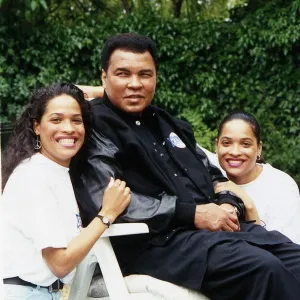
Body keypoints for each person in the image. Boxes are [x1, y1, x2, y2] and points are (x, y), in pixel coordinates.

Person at [71, 33, 300, 300]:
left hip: (215, 234)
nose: (135, 84)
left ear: (155, 77)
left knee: (295, 260)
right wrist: (191, 213)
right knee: (264, 269)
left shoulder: (166, 122)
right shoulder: (93, 126)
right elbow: (109, 200)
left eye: (145, 75)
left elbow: (212, 172)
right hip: (157, 243)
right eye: (123, 74)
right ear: (103, 77)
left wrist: (228, 203)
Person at [1, 83, 131, 299]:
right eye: (56, 119)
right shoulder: (35, 176)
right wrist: (107, 214)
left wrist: (110, 91)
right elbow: (59, 263)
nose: (69, 128)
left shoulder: (55, 171)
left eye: (76, 120)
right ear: (36, 127)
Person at [200, 111, 300, 244]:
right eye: (226, 143)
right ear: (216, 145)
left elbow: (287, 251)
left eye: (245, 144)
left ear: (259, 148)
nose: (235, 152)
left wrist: (249, 206)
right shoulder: (205, 167)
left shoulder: (282, 186)